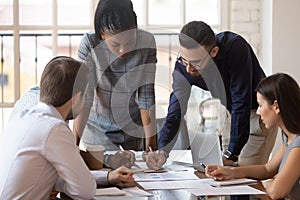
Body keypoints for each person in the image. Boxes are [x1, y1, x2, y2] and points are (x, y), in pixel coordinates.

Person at [0, 56, 135, 200]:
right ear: (76, 98)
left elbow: (55, 176)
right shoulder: (54, 128)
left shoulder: (22, 117)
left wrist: (107, 177)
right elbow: (84, 191)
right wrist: (73, 183)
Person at [151, 21, 278, 169]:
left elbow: (241, 101)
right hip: (230, 114)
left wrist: (231, 154)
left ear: (214, 52)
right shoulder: (183, 66)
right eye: (185, 60)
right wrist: (163, 151)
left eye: (196, 62)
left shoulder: (235, 48)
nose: (189, 69)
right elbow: (175, 112)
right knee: (225, 174)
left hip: (257, 114)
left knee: (246, 173)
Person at [74, 0, 157, 168]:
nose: (123, 50)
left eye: (129, 43)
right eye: (115, 44)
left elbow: (146, 98)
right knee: (106, 177)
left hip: (132, 125)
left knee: (137, 180)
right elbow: (85, 98)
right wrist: (72, 146)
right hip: (98, 127)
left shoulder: (147, 42)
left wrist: (151, 148)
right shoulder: (89, 43)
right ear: (101, 35)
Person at [205, 73, 300, 199]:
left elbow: (276, 192)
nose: (258, 112)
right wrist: (230, 172)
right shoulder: (289, 137)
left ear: (276, 107)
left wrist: (269, 182)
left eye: (260, 105)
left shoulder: (298, 145)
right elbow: (267, 169)